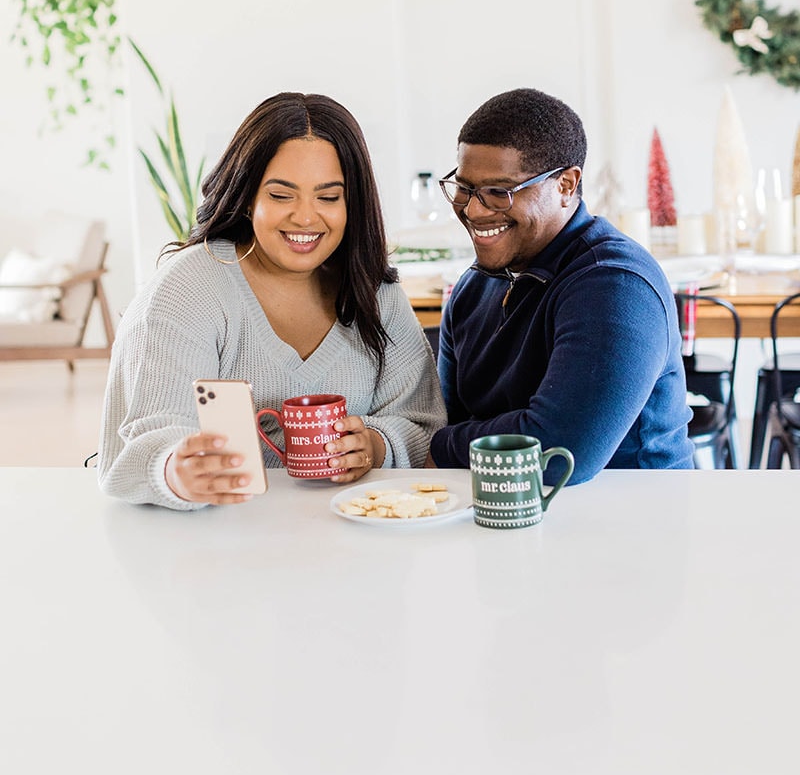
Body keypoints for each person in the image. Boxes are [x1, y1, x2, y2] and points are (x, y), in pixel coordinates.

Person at [98, 92, 446, 509]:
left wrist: (375, 444)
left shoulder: (376, 293)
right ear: (248, 197)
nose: (305, 217)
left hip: (352, 544)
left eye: (329, 197)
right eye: (281, 196)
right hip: (216, 548)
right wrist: (175, 471)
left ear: (352, 204)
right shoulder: (188, 288)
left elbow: (422, 423)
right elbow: (145, 439)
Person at [426, 87, 693, 484]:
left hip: (634, 526)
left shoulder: (616, 285)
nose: (474, 210)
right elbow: (448, 421)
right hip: (503, 514)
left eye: (500, 193)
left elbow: (558, 452)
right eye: (465, 188)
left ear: (567, 184)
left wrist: (436, 447)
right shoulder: (472, 287)